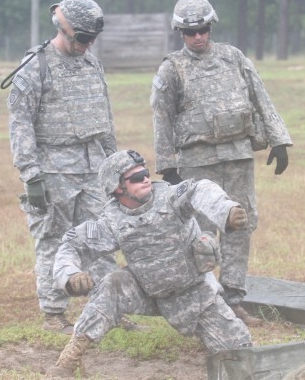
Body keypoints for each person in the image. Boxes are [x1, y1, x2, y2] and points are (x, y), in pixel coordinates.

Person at [150, 0, 293, 327]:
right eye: (190, 32)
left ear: (210, 26)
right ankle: (202, 301)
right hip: (197, 162)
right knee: (199, 233)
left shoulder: (233, 58)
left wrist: (279, 139)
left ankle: (233, 298)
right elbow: (161, 116)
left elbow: (260, 96)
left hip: (238, 156)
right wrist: (168, 165)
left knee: (240, 225)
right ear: (180, 33)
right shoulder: (171, 69)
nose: (197, 37)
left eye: (202, 30)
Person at [46, 149, 252, 377]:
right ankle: (68, 360)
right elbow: (71, 245)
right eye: (135, 177)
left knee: (240, 356)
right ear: (117, 187)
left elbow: (200, 189)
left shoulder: (172, 197)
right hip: (147, 291)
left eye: (145, 173)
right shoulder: (111, 221)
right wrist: (71, 275)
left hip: (195, 293)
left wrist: (227, 210)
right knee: (114, 282)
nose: (145, 179)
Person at [7, 0, 122, 334]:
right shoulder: (35, 67)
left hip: (93, 168)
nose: (88, 45)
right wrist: (30, 175)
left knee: (102, 239)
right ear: (64, 29)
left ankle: (110, 308)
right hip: (52, 171)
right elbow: (20, 124)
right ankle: (54, 314)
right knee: (54, 241)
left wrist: (114, 164)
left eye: (92, 39)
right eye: (83, 38)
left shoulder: (92, 64)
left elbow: (105, 119)